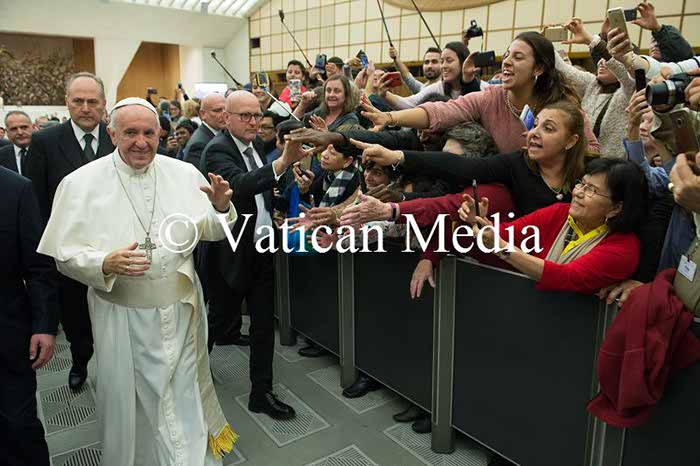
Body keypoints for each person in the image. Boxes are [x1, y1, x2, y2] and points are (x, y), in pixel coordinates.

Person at [37, 97, 239, 466]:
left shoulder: (184, 174)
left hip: (181, 310)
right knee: (132, 400)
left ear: (160, 134)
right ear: (112, 134)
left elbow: (212, 230)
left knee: (183, 391)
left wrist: (222, 207)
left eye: (149, 133)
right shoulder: (80, 183)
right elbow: (63, 255)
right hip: (121, 315)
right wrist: (103, 263)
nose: (141, 142)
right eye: (130, 133)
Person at [202, 90, 310, 420]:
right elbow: (239, 185)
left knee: (263, 326)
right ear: (226, 118)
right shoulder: (217, 149)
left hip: (262, 249)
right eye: (245, 116)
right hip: (231, 254)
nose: (253, 122)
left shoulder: (256, 146)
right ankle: (190, 377)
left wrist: (289, 189)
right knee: (215, 323)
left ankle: (261, 392)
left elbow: (262, 192)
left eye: (257, 115)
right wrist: (282, 162)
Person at [361, 31, 601, 155]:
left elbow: (591, 150)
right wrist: (390, 118)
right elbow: (442, 111)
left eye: (518, 57)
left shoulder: (561, 105)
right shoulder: (491, 98)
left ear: (538, 68)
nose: (506, 62)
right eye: (506, 55)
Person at [25, 72, 115, 391]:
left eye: (92, 101)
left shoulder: (118, 137)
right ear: (67, 102)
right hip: (69, 250)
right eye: (78, 101)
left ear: (104, 104)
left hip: (113, 246)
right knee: (76, 315)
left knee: (115, 314)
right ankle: (79, 362)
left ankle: (115, 368)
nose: (86, 108)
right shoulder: (45, 142)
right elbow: (36, 201)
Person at [0, 166, 59, 466]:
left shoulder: (16, 189)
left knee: (18, 425)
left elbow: (39, 268)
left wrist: (44, 326)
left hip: (8, 334)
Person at [557, 19, 636, 158]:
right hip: (583, 161)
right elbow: (563, 69)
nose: (601, 62)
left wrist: (591, 40)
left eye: (608, 60)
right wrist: (540, 43)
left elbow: (625, 71)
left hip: (611, 166)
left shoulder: (629, 91)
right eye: (600, 59)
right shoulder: (592, 84)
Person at [381, 42, 482, 109]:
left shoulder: (483, 88)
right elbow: (410, 102)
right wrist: (384, 94)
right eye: (442, 61)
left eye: (449, 61)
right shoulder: (436, 88)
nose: (444, 66)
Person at [293, 75, 361, 131]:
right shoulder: (320, 112)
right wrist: (302, 105)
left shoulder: (351, 119)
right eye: (328, 91)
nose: (331, 95)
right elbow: (292, 124)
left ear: (346, 95)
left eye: (337, 91)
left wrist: (326, 134)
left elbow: (342, 141)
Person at [183, 93, 227, 172]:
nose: (224, 114)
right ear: (203, 114)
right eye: (217, 110)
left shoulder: (220, 133)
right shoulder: (198, 145)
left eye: (226, 109)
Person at [0, 110, 33, 174]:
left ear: (32, 127)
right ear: (7, 132)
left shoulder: (46, 152)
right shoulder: (1, 155)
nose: (20, 132)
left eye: (24, 127)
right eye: (14, 129)